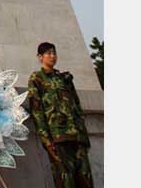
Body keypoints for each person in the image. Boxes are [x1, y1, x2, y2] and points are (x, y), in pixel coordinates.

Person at [27, 42, 94, 188]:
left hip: (77, 137)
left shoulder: (65, 79)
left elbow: (77, 107)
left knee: (85, 178)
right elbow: (37, 112)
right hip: (58, 138)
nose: (52, 56)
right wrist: (46, 140)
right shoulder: (37, 79)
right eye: (48, 53)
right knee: (65, 180)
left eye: (54, 53)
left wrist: (85, 138)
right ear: (40, 57)